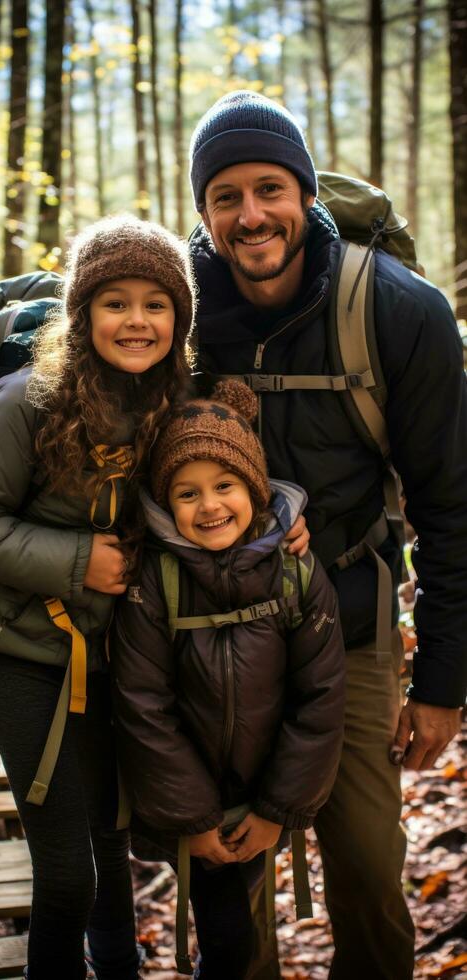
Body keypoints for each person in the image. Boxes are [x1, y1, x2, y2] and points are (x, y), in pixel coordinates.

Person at [185, 90, 467, 979]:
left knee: (368, 871)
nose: (250, 215)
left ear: (306, 194)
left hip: (346, 616)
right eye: (224, 196)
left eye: (270, 189)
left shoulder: (398, 311)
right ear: (202, 210)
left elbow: (450, 505)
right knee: (228, 882)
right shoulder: (172, 312)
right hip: (210, 633)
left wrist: (443, 683)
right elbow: (72, 413)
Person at [0, 214, 197, 980]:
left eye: (156, 303)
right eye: (114, 301)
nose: (136, 320)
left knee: (110, 847)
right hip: (22, 652)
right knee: (67, 875)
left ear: (178, 318)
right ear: (82, 313)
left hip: (120, 658)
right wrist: (80, 560)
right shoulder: (29, 399)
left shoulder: (178, 402)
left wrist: (280, 524)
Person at [111, 378, 345, 980]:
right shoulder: (154, 584)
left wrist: (277, 809)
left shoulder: (295, 574)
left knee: (239, 933)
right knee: (228, 941)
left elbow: (319, 698)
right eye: (187, 493)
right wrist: (195, 819)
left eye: (225, 486)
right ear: (166, 502)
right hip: (200, 805)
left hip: (263, 794)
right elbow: (143, 705)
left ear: (254, 488)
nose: (210, 506)